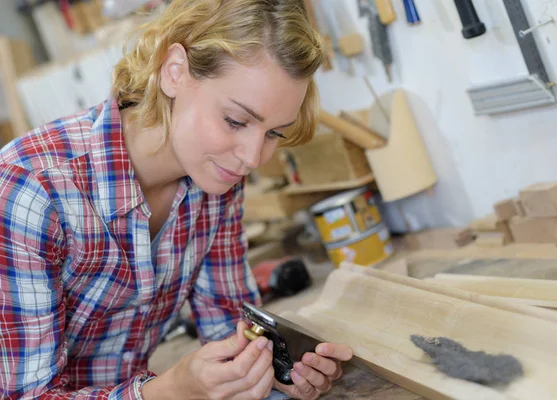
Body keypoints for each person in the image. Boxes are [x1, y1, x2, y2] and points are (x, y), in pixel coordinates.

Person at [0, 0, 353, 399]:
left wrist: (278, 370)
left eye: (274, 133)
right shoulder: (32, 190)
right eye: (236, 121)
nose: (252, 157)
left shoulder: (216, 176)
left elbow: (231, 327)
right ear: (174, 72)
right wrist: (169, 391)